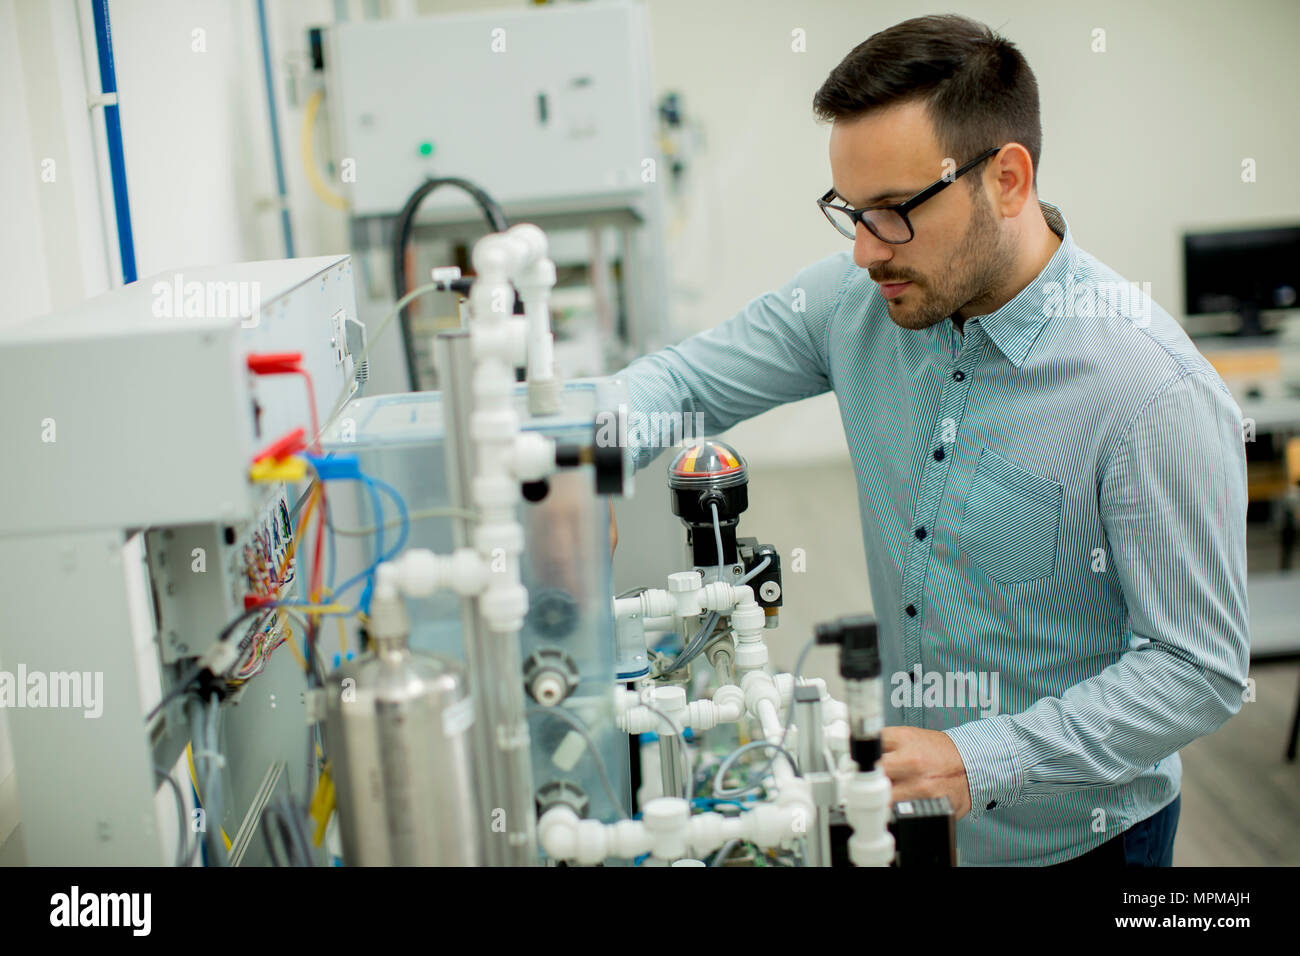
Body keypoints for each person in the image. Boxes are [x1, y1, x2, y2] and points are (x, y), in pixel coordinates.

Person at [609, 14, 1249, 866]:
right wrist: (581, 458)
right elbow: (680, 383)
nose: (867, 251)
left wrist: (978, 759)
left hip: (1080, 842)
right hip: (911, 819)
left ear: (1009, 179)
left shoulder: (1149, 392)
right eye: (851, 212)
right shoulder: (857, 300)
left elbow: (1197, 671)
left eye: (895, 212)